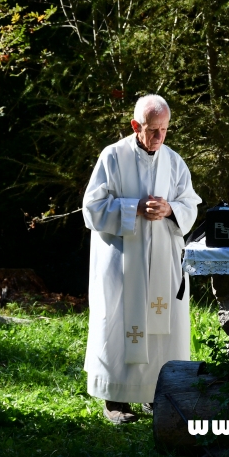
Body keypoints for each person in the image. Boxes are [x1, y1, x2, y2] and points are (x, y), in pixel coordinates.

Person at [82, 95, 202, 423]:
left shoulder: (174, 161)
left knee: (161, 328)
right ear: (136, 126)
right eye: (152, 130)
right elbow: (91, 209)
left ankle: (155, 393)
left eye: (164, 129)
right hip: (122, 264)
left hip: (162, 262)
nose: (159, 137)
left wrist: (171, 209)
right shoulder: (112, 157)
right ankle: (116, 400)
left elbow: (190, 203)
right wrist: (132, 207)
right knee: (119, 323)